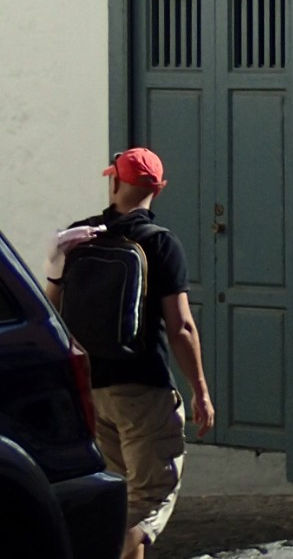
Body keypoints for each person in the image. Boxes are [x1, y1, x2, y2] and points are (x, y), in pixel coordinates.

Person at [45, 147, 215, 559]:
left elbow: (54, 311)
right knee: (151, 498)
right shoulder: (160, 244)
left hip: (92, 390)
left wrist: (55, 264)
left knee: (118, 496)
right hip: (143, 389)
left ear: (114, 181)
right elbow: (181, 327)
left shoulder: (79, 236)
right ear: (159, 189)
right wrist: (200, 391)